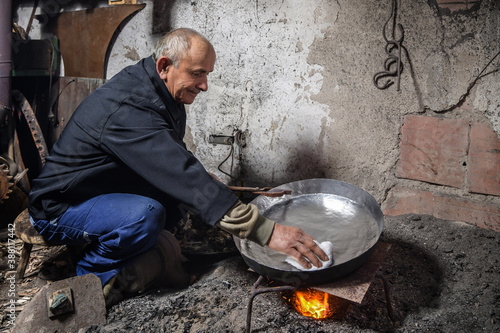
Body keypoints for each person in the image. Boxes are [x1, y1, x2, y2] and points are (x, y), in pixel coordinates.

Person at [28, 28, 327, 305]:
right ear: (164, 66)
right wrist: (267, 232)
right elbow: (179, 172)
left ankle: (141, 249)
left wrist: (204, 180)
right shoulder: (129, 107)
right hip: (61, 207)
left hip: (102, 189)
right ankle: (91, 274)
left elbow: (171, 154)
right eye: (197, 74)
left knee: (179, 196)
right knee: (147, 214)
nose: (205, 85)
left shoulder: (161, 90)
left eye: (207, 74)